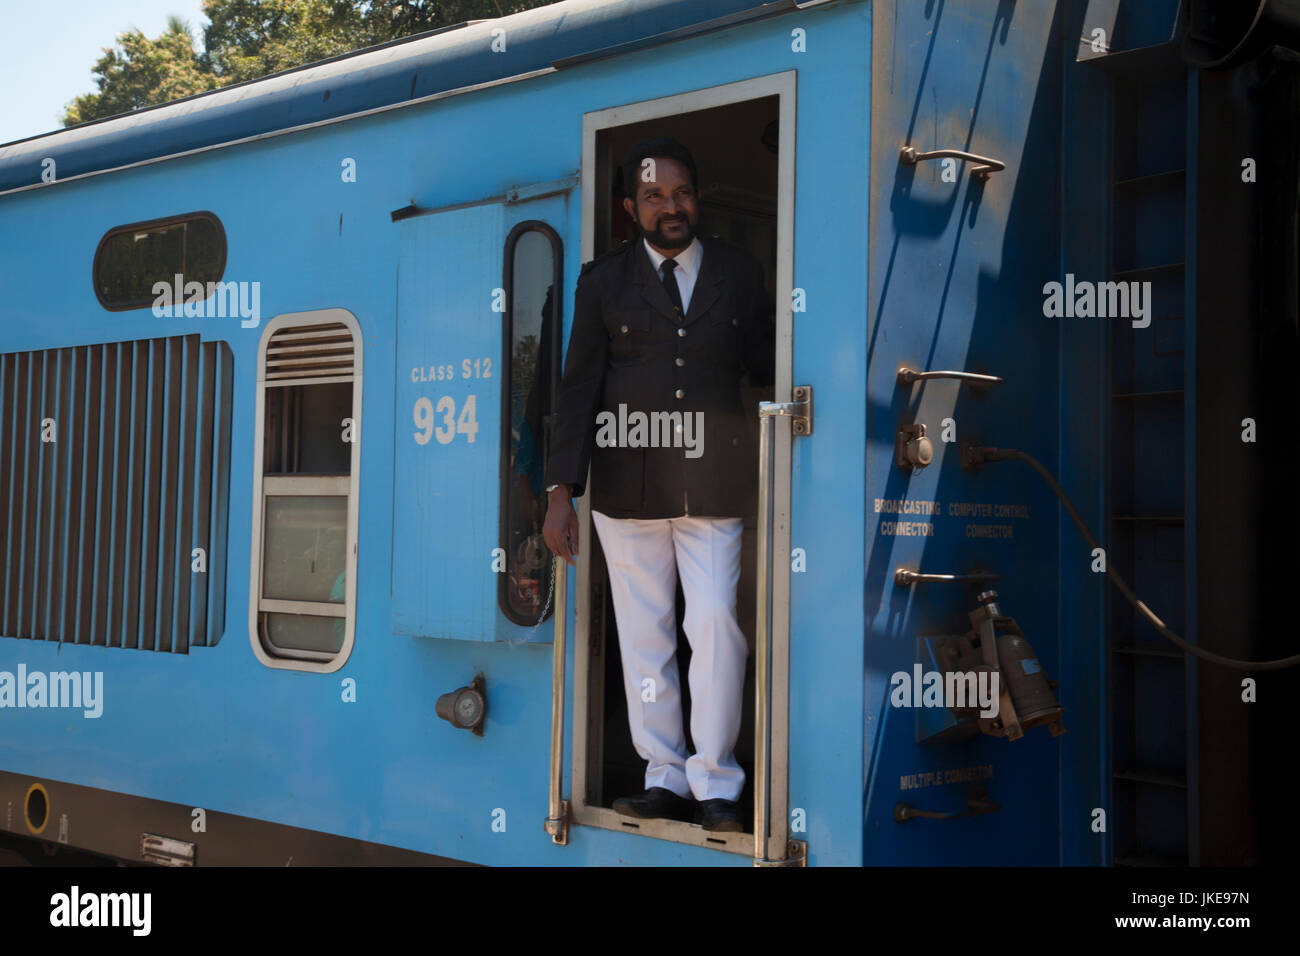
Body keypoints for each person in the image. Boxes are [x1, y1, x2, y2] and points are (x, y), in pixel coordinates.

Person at [542, 137, 774, 832]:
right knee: (645, 639)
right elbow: (577, 388)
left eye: (681, 193)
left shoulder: (738, 271)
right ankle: (665, 776)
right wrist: (561, 490)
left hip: (714, 483)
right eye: (653, 196)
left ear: (697, 200)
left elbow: (763, 375)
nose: (670, 207)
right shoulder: (601, 281)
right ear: (629, 209)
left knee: (715, 628)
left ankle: (718, 782)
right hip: (625, 486)